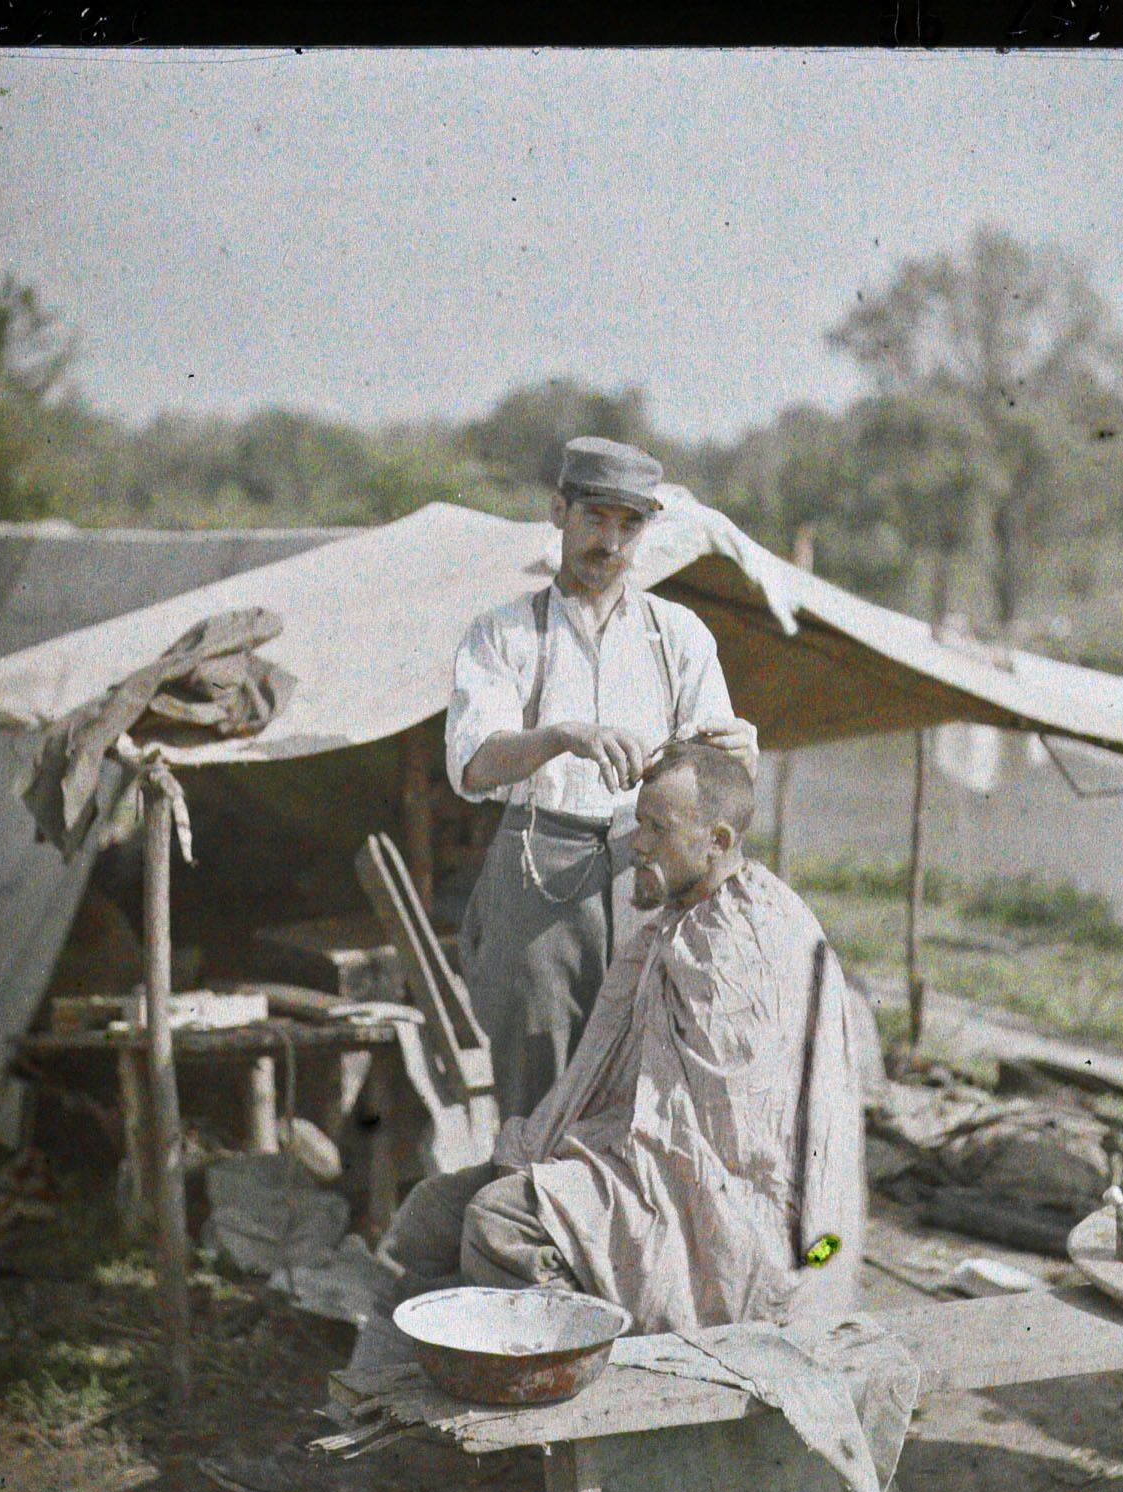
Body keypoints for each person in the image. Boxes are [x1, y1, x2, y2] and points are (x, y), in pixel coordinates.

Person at [362, 739, 864, 1346]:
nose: (638, 843)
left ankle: (578, 1387)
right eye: (638, 822)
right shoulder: (677, 919)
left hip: (738, 1225)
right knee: (428, 1214)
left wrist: (574, 1168)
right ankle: (399, 1410)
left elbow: (722, 1150)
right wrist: (562, 1155)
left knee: (500, 1224)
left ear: (720, 841)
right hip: (648, 1169)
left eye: (657, 827)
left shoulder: (748, 943)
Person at [447, 436, 757, 1122]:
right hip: (539, 872)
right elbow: (472, 766)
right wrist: (561, 734)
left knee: (651, 1076)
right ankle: (526, 1223)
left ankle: (618, 1227)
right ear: (558, 512)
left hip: (648, 867)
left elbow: (715, 775)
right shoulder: (502, 633)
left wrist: (740, 751)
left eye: (629, 525)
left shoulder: (677, 635)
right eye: (594, 519)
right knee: (537, 1087)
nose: (609, 542)